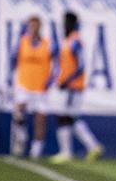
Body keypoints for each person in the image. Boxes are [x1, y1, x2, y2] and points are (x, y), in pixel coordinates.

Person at [50, 12, 104, 164]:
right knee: (70, 118)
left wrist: (66, 81)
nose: (64, 25)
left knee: (64, 117)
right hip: (69, 86)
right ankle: (93, 146)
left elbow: (80, 66)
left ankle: (66, 152)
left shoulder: (75, 41)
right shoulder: (68, 41)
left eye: (66, 22)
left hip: (72, 87)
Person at [11, 16, 57, 159]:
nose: (33, 28)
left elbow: (56, 65)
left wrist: (50, 81)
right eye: (31, 26)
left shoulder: (47, 44)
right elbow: (12, 59)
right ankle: (21, 138)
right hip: (24, 83)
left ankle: (36, 150)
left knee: (40, 119)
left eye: (35, 26)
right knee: (19, 110)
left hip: (40, 87)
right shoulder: (21, 42)